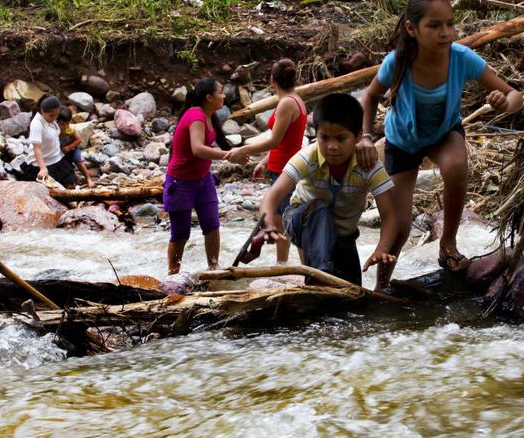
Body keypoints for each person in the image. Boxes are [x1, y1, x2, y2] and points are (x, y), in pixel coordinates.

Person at [357, 0, 523, 275]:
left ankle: (448, 244)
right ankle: (382, 287)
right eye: (434, 26)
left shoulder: (461, 58)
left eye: (449, 24)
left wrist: (505, 103)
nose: (445, 32)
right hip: (402, 142)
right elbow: (370, 95)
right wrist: (364, 136)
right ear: (412, 28)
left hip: (443, 134)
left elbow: (515, 95)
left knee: (456, 165)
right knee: (399, 226)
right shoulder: (397, 62)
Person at [259, 93, 398, 288]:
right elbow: (272, 197)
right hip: (302, 219)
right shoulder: (309, 157)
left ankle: (322, 277)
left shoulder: (368, 166)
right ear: (316, 134)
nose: (332, 147)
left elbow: (390, 215)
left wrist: (381, 248)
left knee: (352, 293)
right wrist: (267, 223)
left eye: (341, 138)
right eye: (324, 138)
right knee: (319, 209)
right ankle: (318, 277)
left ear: (358, 136)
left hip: (343, 234)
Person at [227, 58, 307, 264]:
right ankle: (285, 266)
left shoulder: (287, 103)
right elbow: (286, 142)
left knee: (289, 225)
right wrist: (263, 161)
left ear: (272, 80)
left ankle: (305, 269)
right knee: (283, 224)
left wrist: (243, 149)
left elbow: (274, 140)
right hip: (283, 167)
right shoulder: (295, 100)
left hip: (284, 171)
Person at [164, 78, 247, 274]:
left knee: (212, 226)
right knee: (180, 234)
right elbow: (198, 149)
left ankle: (214, 268)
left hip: (203, 180)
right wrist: (229, 156)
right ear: (209, 97)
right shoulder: (196, 115)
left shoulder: (210, 115)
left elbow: (219, 144)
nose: (224, 95)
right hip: (181, 182)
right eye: (220, 91)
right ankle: (173, 274)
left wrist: (237, 151)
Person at [21, 95, 78, 188]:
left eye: (56, 115)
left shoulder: (54, 119)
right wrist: (43, 168)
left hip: (57, 158)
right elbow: (37, 148)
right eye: (51, 115)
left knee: (70, 185)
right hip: (42, 162)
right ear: (42, 111)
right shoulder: (37, 123)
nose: (54, 118)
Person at [57, 107, 95, 188]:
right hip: (62, 152)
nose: (65, 126)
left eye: (67, 123)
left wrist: (69, 147)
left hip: (73, 149)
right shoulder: (54, 131)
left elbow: (79, 139)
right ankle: (73, 178)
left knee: (78, 162)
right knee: (65, 165)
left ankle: (88, 178)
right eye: (62, 124)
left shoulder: (70, 129)